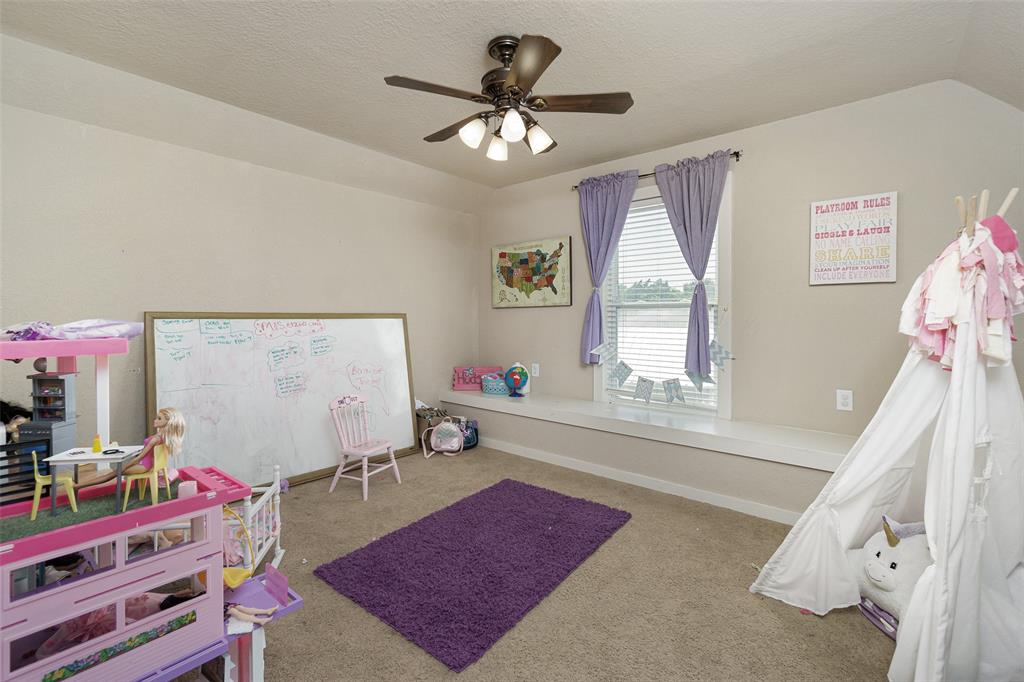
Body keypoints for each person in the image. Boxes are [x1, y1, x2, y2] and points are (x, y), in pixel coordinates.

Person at [75, 407, 184, 491]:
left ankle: (79, 486)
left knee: (112, 474)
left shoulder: (155, 439)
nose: (155, 420)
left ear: (167, 422)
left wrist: (124, 467)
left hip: (143, 466)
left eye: (159, 418)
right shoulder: (163, 438)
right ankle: (80, 486)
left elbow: (139, 458)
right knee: (112, 473)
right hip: (148, 465)